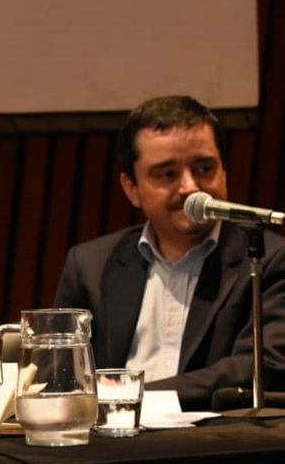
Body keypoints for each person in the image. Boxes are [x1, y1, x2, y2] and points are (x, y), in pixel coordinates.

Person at [53, 95, 285, 410]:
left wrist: (132, 393)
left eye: (204, 168)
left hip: (215, 445)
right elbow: (60, 373)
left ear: (225, 172)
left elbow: (260, 367)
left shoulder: (266, 260)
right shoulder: (90, 264)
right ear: (132, 188)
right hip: (109, 441)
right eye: (167, 174)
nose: (190, 187)